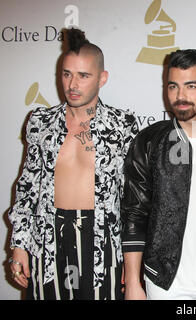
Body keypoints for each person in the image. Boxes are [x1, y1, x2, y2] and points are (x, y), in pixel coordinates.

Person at [8, 28, 139, 300]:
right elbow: (27, 187)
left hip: (102, 241)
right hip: (47, 238)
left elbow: (132, 199)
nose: (72, 85)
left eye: (83, 75)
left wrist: (131, 262)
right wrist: (19, 245)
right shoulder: (40, 122)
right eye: (67, 74)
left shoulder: (122, 125)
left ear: (102, 78)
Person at [121, 49, 196, 300]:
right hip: (164, 280)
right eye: (173, 87)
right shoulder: (149, 142)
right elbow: (135, 212)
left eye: (190, 86)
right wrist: (133, 282)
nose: (180, 96)